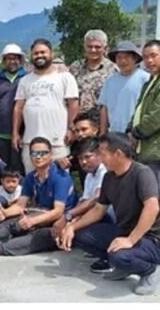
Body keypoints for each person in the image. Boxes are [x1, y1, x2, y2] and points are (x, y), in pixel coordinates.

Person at [58, 133, 160, 296]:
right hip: (124, 230)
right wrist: (71, 226)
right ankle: (124, 267)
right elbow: (98, 210)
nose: (100, 158)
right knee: (78, 235)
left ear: (118, 154)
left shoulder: (142, 173)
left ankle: (150, 270)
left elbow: (152, 207)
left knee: (118, 255)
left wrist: (130, 240)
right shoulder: (108, 177)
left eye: (102, 154)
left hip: (151, 238)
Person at [0, 137, 78, 259]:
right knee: (11, 220)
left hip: (61, 221)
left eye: (43, 153)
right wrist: (5, 213)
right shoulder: (31, 177)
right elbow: (20, 205)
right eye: (34, 153)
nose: (38, 157)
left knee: (40, 235)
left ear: (51, 155)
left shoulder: (60, 177)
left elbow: (58, 211)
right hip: (41, 214)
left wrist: (33, 221)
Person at [13, 38, 79, 173]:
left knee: (59, 178)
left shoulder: (65, 77)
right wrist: (15, 133)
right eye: (36, 53)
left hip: (58, 141)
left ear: (51, 54)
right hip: (30, 142)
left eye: (43, 52)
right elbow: (18, 108)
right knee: (33, 179)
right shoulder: (25, 80)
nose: (39, 56)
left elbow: (73, 104)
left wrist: (71, 129)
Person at [51, 137, 110, 272]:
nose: (83, 162)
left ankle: (109, 258)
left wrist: (69, 217)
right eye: (80, 159)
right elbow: (84, 201)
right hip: (96, 213)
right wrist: (69, 221)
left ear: (99, 155)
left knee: (77, 230)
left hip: (109, 215)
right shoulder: (90, 175)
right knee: (70, 228)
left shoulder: (104, 171)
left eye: (87, 157)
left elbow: (96, 199)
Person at [0, 43, 27, 171]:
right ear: (3, 61)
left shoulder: (26, 78)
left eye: (15, 58)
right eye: (8, 58)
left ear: (20, 60)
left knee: (18, 171)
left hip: (21, 135)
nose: (12, 61)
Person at [99, 40, 149, 134]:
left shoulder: (145, 79)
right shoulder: (110, 81)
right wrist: (102, 133)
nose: (123, 61)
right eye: (119, 57)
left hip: (137, 133)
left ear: (135, 58)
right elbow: (104, 107)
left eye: (126, 57)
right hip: (114, 132)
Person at [128, 40, 160, 183]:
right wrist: (130, 129)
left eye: (153, 55)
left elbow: (156, 116)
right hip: (144, 149)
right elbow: (138, 110)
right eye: (146, 57)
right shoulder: (150, 82)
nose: (149, 61)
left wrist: (136, 133)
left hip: (156, 151)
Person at [69, 30, 116, 115]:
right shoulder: (75, 67)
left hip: (103, 118)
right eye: (89, 47)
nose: (93, 50)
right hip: (78, 119)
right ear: (84, 47)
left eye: (97, 47)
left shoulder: (113, 69)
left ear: (105, 48)